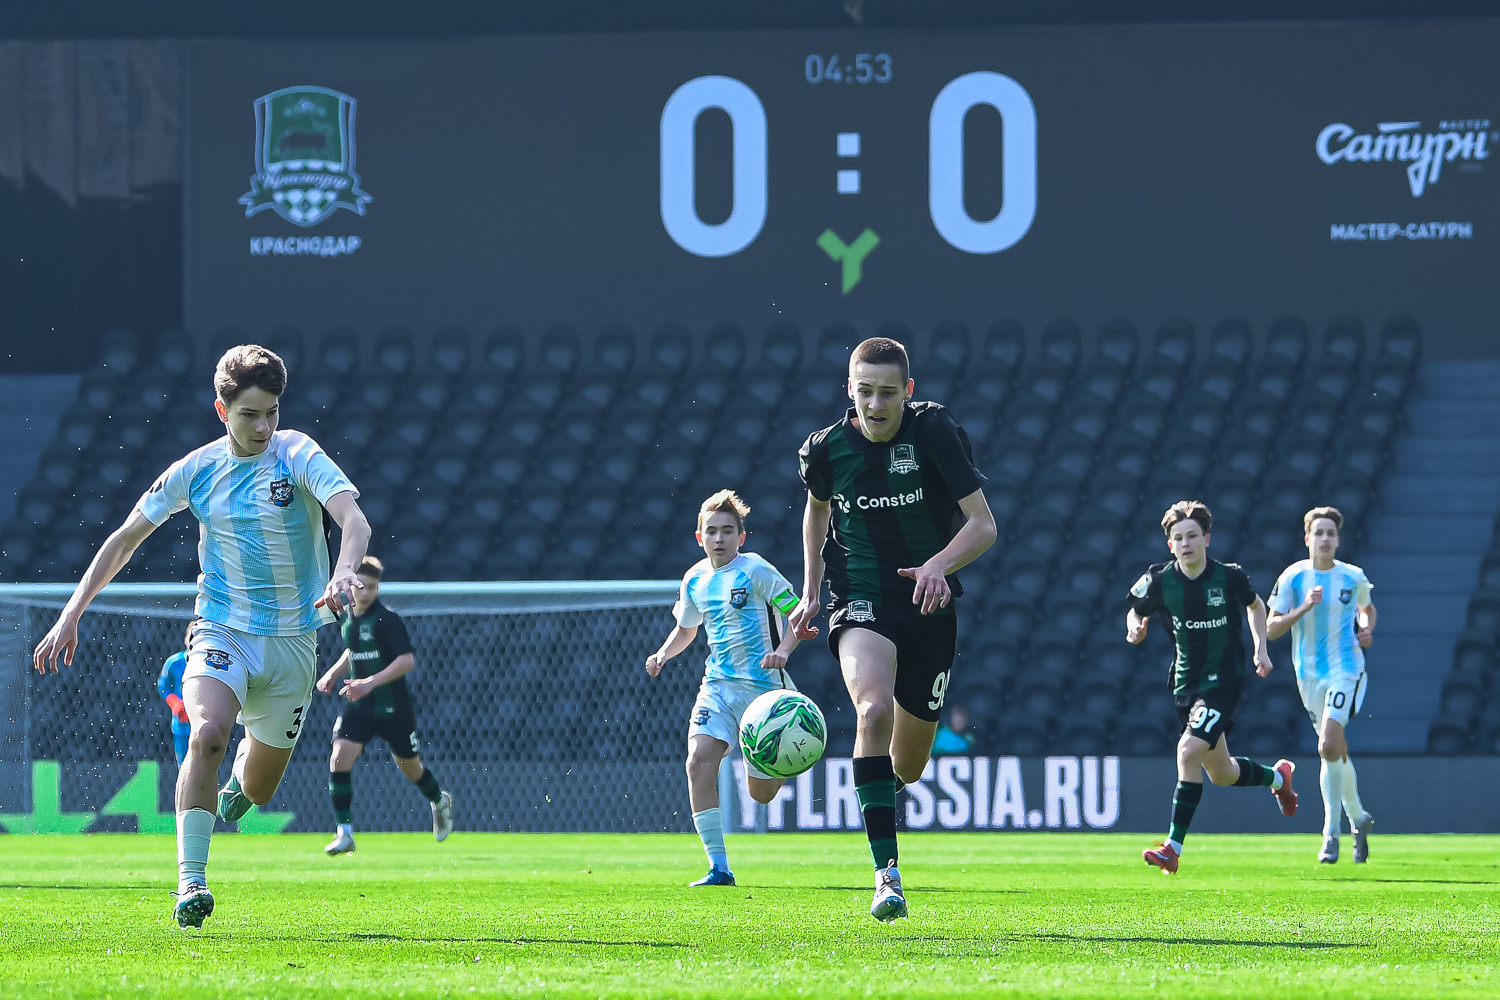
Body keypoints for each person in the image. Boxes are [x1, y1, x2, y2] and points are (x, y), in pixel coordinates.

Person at [33, 344, 370, 929]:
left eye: (272, 412)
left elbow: (354, 521)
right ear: (222, 411)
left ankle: (239, 783)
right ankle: (191, 882)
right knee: (207, 733)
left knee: (258, 791)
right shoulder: (196, 470)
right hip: (222, 627)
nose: (264, 427)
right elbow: (124, 538)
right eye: (249, 415)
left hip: (292, 642)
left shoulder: (297, 452)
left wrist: (344, 572)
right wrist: (71, 613)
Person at [789, 337, 996, 922]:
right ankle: (887, 877)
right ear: (849, 390)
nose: (876, 405)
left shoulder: (935, 433)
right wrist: (811, 589)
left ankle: (876, 786)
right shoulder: (826, 449)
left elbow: (983, 526)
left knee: (907, 767)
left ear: (908, 391)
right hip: (861, 597)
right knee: (873, 710)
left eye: (887, 393)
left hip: (929, 605)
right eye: (865, 392)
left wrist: (936, 566)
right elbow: (817, 507)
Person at [645, 490, 810, 887]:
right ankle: (719, 867)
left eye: (727, 531)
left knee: (761, 795)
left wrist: (783, 651)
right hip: (717, 686)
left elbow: (798, 613)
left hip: (763, 692)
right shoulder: (694, 579)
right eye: (712, 531)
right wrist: (663, 653)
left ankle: (784, 758)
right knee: (698, 763)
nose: (719, 538)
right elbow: (687, 628)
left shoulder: (756, 571)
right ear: (699, 537)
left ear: (741, 536)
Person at [1126, 501, 1297, 875]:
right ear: (1170, 545)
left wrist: (1261, 648)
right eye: (1178, 538)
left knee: (1187, 752)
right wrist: (1135, 626)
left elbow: (1256, 606)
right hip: (1185, 684)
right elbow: (1136, 609)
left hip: (1223, 681)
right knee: (1222, 773)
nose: (1185, 543)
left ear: (1206, 539)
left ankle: (1172, 848)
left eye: (1192, 536)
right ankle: (1278, 778)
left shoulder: (1229, 577)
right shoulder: (1159, 580)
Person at [316, 555, 454, 855]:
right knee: (339, 758)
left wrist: (369, 682)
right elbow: (353, 650)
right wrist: (332, 674)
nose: (366, 593)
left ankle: (439, 800)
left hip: (392, 706)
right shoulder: (349, 617)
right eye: (362, 587)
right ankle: (345, 833)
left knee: (411, 769)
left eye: (373, 587)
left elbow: (407, 661)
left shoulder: (386, 619)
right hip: (360, 706)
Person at [1266, 506, 1377, 864]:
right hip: (1308, 674)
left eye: (1331, 533)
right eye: (1319, 533)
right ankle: (1359, 818)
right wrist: (1303, 608)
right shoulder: (1294, 577)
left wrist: (1366, 628)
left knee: (1328, 744)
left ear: (1338, 539)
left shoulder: (1352, 577)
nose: (1325, 538)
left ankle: (1331, 834)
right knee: (1335, 751)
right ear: (1307, 539)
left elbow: (1367, 609)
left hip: (1346, 669)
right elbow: (1271, 628)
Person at [158, 624, 193, 765]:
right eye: (191, 636)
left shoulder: (211, 662)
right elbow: (163, 686)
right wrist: (175, 704)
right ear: (185, 639)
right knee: (184, 764)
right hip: (182, 723)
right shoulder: (174, 662)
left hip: (206, 723)